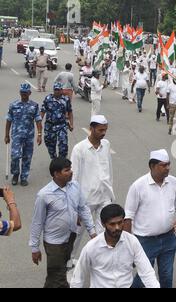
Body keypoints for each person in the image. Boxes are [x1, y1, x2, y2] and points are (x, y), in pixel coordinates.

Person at [29, 158, 96, 288]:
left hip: (70, 238)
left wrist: (92, 231)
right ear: (56, 174)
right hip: (54, 243)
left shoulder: (75, 186)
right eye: (67, 170)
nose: (71, 172)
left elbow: (83, 208)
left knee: (56, 274)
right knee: (59, 278)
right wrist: (34, 248)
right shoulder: (44, 195)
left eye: (70, 169)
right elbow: (37, 222)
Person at [124, 149, 176, 288]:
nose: (168, 168)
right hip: (145, 242)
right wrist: (128, 246)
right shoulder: (138, 186)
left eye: (168, 164)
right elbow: (128, 217)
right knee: (143, 279)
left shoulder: (173, 182)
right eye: (163, 165)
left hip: (169, 239)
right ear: (152, 166)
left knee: (167, 276)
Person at [70, 204, 160, 288]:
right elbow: (78, 278)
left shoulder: (132, 242)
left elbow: (147, 272)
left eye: (120, 223)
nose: (117, 227)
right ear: (103, 224)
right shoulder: (91, 247)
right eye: (112, 224)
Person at [69, 115, 115, 265]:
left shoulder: (106, 145)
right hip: (85, 201)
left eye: (106, 130)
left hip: (104, 197)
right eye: (100, 130)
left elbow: (109, 169)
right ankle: (69, 263)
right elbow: (74, 178)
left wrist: (110, 192)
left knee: (104, 234)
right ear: (91, 129)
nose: (103, 133)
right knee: (77, 234)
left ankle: (100, 262)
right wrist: (74, 206)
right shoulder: (79, 149)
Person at [5, 83, 43, 186]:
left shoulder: (34, 106)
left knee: (27, 157)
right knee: (15, 156)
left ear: (29, 93)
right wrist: (6, 135)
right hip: (16, 135)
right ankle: (15, 174)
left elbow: (38, 121)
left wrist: (39, 134)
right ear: (20, 93)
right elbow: (9, 120)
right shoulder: (13, 105)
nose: (23, 94)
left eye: (25, 93)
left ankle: (24, 177)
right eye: (22, 92)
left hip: (29, 136)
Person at [41, 82, 74, 160]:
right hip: (49, 126)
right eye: (55, 90)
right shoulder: (48, 99)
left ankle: (61, 161)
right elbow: (42, 111)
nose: (57, 91)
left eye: (59, 90)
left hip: (61, 125)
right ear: (53, 90)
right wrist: (39, 122)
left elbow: (70, 112)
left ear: (61, 90)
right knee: (50, 144)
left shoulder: (66, 99)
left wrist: (71, 124)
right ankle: (54, 158)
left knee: (63, 145)